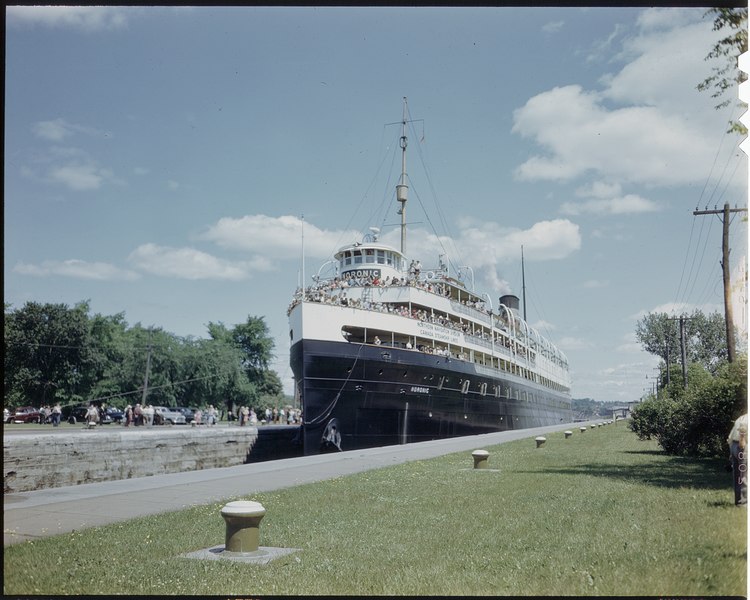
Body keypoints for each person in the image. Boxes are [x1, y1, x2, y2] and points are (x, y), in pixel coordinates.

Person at [727, 413, 747, 506]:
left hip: (734, 445)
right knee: (744, 475)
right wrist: (742, 446)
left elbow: (730, 437)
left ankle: (739, 501)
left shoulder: (741, 418)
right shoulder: (746, 419)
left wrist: (732, 452)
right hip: (742, 446)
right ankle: (744, 502)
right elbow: (742, 432)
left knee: (738, 476)